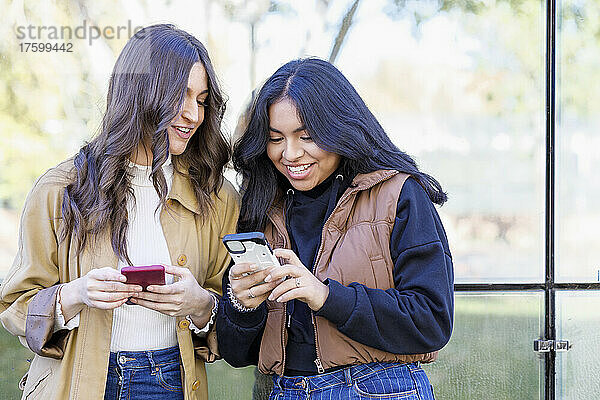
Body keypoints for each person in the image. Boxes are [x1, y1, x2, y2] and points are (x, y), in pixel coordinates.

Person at [0, 24, 239, 400]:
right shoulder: (60, 189)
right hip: (75, 382)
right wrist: (75, 294)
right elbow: (16, 305)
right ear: (139, 94)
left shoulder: (217, 197)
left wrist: (201, 304)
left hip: (171, 383)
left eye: (203, 100)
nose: (194, 114)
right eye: (182, 95)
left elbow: (236, 310)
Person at [217, 58, 454, 399]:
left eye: (307, 136)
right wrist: (242, 306)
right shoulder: (262, 208)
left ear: (338, 128)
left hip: (378, 389)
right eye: (275, 138)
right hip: (283, 391)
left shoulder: (399, 194)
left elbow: (432, 321)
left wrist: (325, 296)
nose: (291, 153)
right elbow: (237, 354)